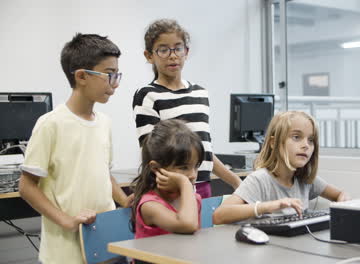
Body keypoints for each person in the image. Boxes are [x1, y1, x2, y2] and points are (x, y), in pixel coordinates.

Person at [18, 33, 133, 264]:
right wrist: (67, 221)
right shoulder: (51, 124)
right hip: (65, 251)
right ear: (81, 76)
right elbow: (26, 186)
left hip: (104, 242)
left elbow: (103, 173)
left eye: (117, 75)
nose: (116, 83)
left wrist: (123, 199)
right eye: (109, 75)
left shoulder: (104, 122)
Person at [132, 19, 241, 198]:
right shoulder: (147, 95)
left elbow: (204, 152)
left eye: (178, 48)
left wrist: (236, 181)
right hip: (169, 189)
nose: (172, 55)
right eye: (163, 49)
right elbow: (151, 153)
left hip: (203, 185)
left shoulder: (200, 93)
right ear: (149, 55)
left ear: (186, 52)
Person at [213, 111, 350, 225]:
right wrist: (270, 206)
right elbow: (218, 215)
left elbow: (339, 194)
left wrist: (344, 202)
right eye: (296, 137)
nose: (306, 145)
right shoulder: (260, 179)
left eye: (311, 140)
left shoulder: (305, 179)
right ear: (274, 142)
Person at [131, 119, 204, 240]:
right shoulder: (149, 205)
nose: (193, 175)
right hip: (152, 259)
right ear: (155, 168)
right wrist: (184, 183)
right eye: (184, 167)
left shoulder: (192, 199)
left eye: (196, 166)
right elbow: (188, 225)